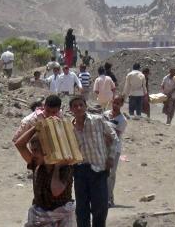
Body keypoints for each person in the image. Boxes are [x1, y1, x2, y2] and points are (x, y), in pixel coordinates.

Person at [70, 96, 118, 227]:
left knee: (101, 208)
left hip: (99, 170)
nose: (78, 108)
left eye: (81, 105)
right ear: (71, 109)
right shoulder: (69, 128)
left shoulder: (97, 120)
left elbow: (114, 137)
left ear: (85, 106)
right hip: (80, 171)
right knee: (81, 209)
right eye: (75, 106)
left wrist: (111, 157)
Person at [15, 127, 75, 227]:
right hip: (38, 215)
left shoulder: (65, 167)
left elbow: (56, 191)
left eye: (35, 150)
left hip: (61, 216)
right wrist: (36, 127)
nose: (32, 154)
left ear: (46, 150)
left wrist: (56, 167)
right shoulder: (36, 164)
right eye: (32, 150)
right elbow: (19, 145)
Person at [103, 95, 127, 207]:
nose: (115, 105)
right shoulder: (105, 114)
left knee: (111, 174)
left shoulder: (122, 120)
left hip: (114, 150)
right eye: (114, 102)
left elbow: (115, 136)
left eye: (118, 103)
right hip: (102, 148)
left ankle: (109, 198)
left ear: (121, 105)